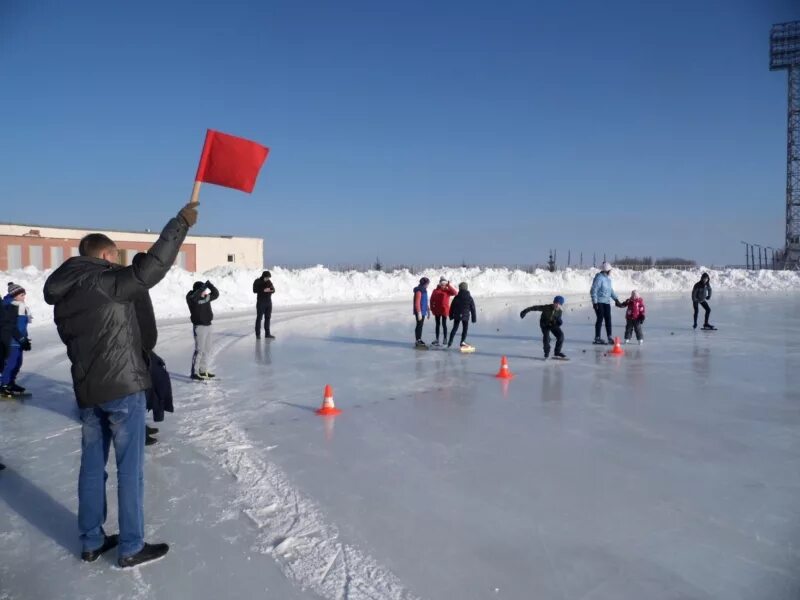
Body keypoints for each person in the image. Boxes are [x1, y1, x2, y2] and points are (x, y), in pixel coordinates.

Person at [43, 201, 197, 568]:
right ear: (105, 254)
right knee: (131, 470)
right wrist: (180, 224)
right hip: (122, 389)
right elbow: (151, 268)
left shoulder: (62, 296)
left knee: (92, 467)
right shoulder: (107, 281)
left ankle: (91, 540)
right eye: (114, 255)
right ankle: (130, 545)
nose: (117, 261)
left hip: (88, 391)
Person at [0, 283, 32, 398]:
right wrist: (21, 339)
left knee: (18, 363)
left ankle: (10, 383)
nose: (24, 297)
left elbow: (22, 327)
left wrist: (25, 339)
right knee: (11, 363)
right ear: (14, 295)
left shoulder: (20, 306)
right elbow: (12, 327)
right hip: (12, 341)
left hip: (19, 341)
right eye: (22, 295)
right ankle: (4, 385)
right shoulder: (11, 307)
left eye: (24, 295)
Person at [187, 280, 219, 379]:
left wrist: (210, 285)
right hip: (199, 327)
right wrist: (202, 288)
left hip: (209, 326)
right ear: (198, 290)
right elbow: (194, 297)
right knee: (199, 350)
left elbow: (216, 294)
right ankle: (195, 372)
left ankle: (203, 370)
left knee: (207, 350)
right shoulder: (192, 298)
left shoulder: (206, 298)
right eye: (203, 289)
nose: (205, 292)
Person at [590, 262, 619, 345]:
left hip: (606, 302)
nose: (611, 272)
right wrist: (595, 302)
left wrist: (616, 299)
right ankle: (597, 338)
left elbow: (610, 291)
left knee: (608, 319)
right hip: (599, 302)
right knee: (600, 318)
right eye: (610, 270)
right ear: (606, 270)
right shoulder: (599, 278)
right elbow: (593, 290)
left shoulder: (608, 279)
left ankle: (609, 336)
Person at [429, 277, 457, 347]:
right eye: (442, 284)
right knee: (437, 324)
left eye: (444, 284)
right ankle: (437, 339)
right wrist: (432, 309)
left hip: (444, 310)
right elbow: (431, 300)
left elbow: (455, 293)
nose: (443, 285)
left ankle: (445, 339)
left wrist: (449, 285)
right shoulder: (435, 291)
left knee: (444, 324)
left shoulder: (447, 291)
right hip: (437, 310)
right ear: (439, 284)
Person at [448, 282, 477, 349]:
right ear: (466, 288)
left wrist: (451, 315)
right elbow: (473, 308)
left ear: (460, 288)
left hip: (457, 315)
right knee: (465, 329)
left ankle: (450, 342)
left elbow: (452, 307)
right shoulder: (469, 297)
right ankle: (462, 342)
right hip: (465, 316)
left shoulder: (456, 297)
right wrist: (474, 318)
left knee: (454, 329)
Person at [253, 270, 276, 339]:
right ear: (263, 276)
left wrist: (270, 290)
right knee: (259, 318)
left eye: (269, 278)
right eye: (267, 277)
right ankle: (258, 334)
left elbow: (274, 290)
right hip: (261, 302)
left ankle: (267, 334)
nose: (268, 279)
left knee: (268, 318)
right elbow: (254, 290)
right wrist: (263, 290)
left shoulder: (269, 282)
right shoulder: (257, 281)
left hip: (268, 302)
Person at [412, 277, 431, 348]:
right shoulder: (419, 291)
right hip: (419, 311)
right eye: (427, 283)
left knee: (420, 325)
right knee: (419, 325)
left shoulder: (424, 291)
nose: (428, 285)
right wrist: (419, 312)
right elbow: (417, 303)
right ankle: (418, 340)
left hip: (423, 311)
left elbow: (425, 302)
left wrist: (428, 311)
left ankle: (419, 339)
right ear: (424, 283)